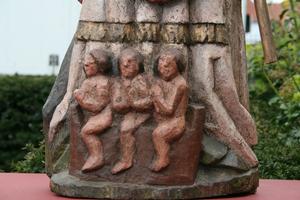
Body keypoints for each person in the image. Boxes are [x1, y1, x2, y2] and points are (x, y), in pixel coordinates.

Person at [111, 48, 152, 174]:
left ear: (139, 65)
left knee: (126, 129)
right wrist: (125, 104)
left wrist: (135, 104)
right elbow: (116, 103)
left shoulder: (143, 80)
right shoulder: (118, 82)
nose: (125, 64)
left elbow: (150, 100)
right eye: (122, 62)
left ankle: (126, 160)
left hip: (142, 112)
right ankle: (125, 159)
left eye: (130, 61)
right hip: (128, 111)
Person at [73, 49, 113, 172]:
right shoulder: (87, 82)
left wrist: (80, 98)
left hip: (103, 115)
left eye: (90, 63)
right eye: (85, 63)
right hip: (93, 116)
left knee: (87, 132)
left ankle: (97, 157)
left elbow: (98, 106)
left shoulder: (103, 82)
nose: (86, 66)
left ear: (100, 66)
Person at [150, 49, 188, 172]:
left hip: (175, 122)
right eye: (161, 68)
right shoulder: (163, 80)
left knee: (158, 134)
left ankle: (163, 159)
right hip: (162, 119)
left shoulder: (180, 84)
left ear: (178, 67)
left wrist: (157, 96)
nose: (163, 71)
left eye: (168, 68)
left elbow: (169, 110)